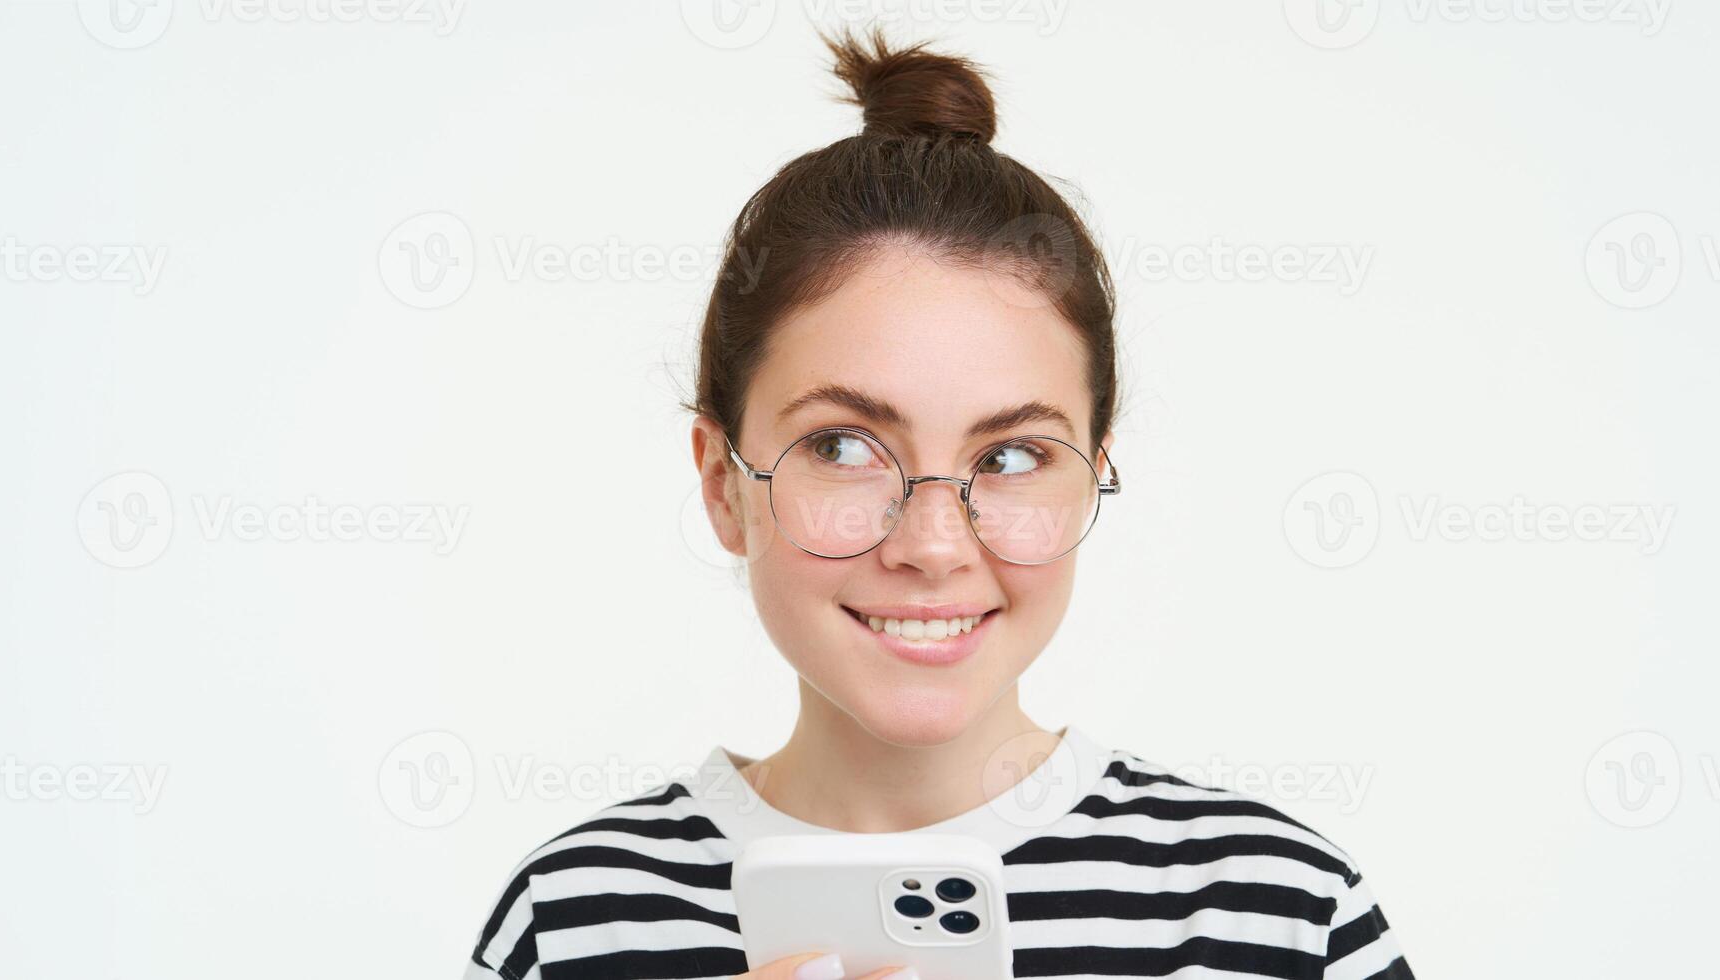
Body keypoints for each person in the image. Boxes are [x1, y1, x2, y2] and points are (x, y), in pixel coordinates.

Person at [462, 28, 1414, 980]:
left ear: (1091, 473)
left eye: (1010, 456)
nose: (933, 544)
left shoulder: (1283, 912)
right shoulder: (571, 921)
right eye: (841, 448)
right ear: (724, 485)